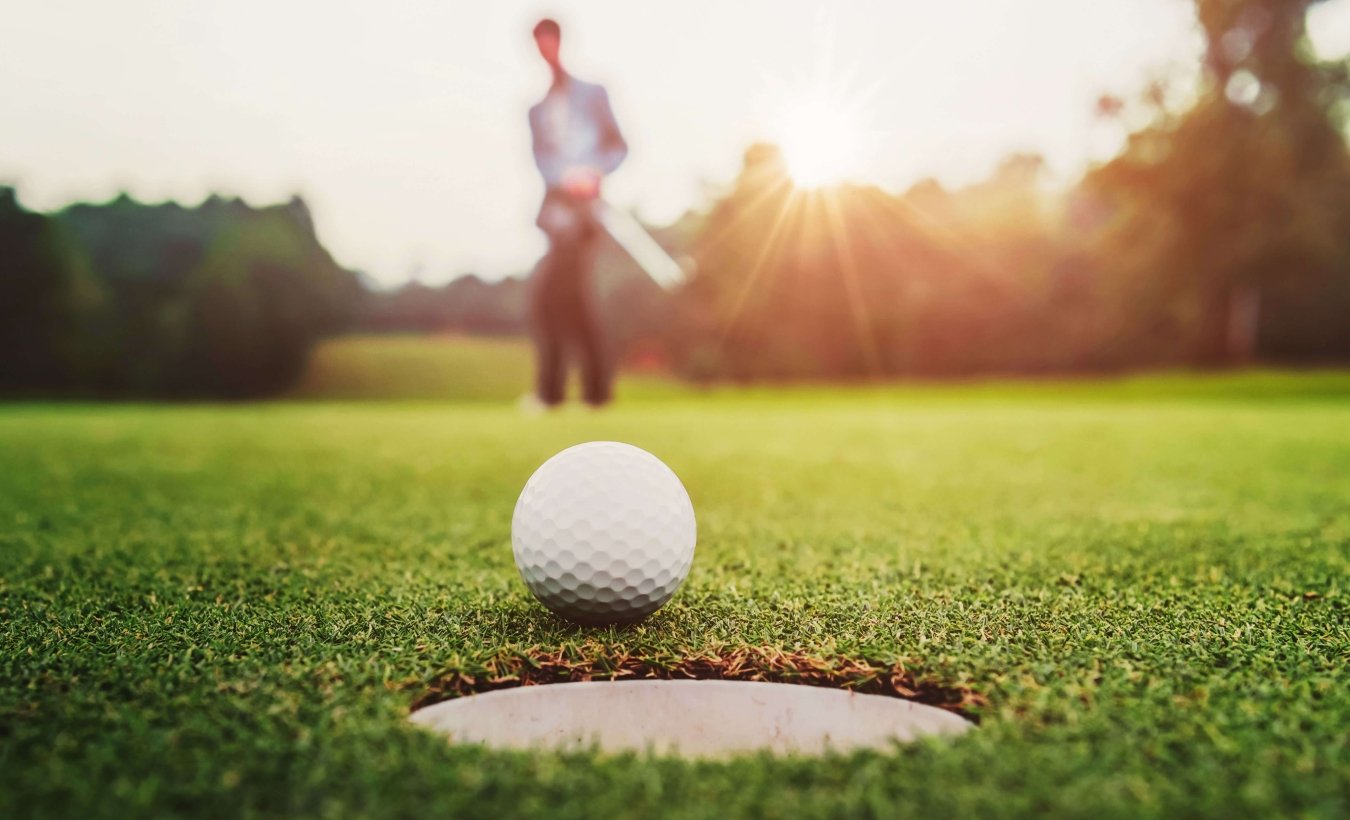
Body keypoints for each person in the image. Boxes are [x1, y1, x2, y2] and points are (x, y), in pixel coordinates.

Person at [526, 18, 627, 408]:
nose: (545, 50)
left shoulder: (593, 93)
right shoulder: (536, 110)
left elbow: (619, 146)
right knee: (569, 300)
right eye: (538, 44)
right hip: (556, 212)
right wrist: (564, 178)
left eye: (549, 42)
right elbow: (541, 160)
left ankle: (556, 394)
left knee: (551, 298)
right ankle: (594, 393)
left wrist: (594, 173)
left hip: (587, 214)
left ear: (560, 42)